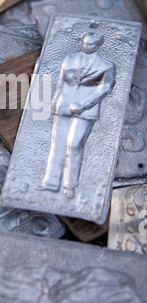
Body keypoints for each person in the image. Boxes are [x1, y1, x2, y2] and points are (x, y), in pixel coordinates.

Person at [41, 31, 116, 199]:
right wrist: (55, 101)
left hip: (86, 110)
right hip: (63, 105)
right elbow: (61, 81)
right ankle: (51, 181)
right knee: (57, 143)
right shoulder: (69, 59)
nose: (86, 46)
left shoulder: (107, 65)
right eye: (84, 42)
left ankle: (70, 186)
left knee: (74, 145)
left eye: (90, 44)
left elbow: (104, 88)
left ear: (98, 46)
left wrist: (82, 105)